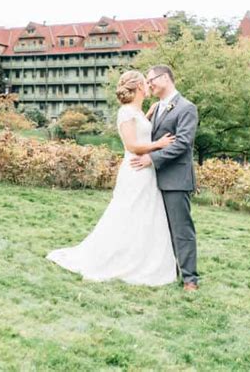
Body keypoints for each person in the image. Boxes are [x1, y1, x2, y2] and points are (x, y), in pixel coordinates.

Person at [46, 70, 177, 286]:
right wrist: (158, 144)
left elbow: (141, 130)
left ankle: (142, 256)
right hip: (135, 170)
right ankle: (117, 257)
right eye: (146, 82)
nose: (149, 85)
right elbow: (132, 146)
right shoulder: (125, 112)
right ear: (139, 88)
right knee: (128, 212)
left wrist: (150, 115)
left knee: (144, 214)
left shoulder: (138, 112)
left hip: (146, 172)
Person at [131, 65, 199, 291]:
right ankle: (168, 270)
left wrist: (152, 158)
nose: (149, 85)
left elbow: (182, 143)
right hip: (152, 180)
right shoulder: (156, 107)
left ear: (166, 78)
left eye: (151, 81)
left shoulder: (187, 108)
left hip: (176, 179)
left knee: (181, 230)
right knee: (160, 228)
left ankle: (190, 279)